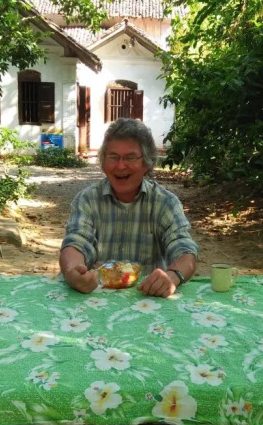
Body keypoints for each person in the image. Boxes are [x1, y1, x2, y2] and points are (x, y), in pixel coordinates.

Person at [59, 118, 198, 298]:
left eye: (130, 157)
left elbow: (183, 247)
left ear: (147, 163)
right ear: (103, 162)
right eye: (113, 157)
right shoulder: (87, 200)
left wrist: (173, 276)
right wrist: (72, 271)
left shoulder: (165, 203)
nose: (120, 165)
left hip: (148, 298)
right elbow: (76, 241)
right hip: (96, 297)